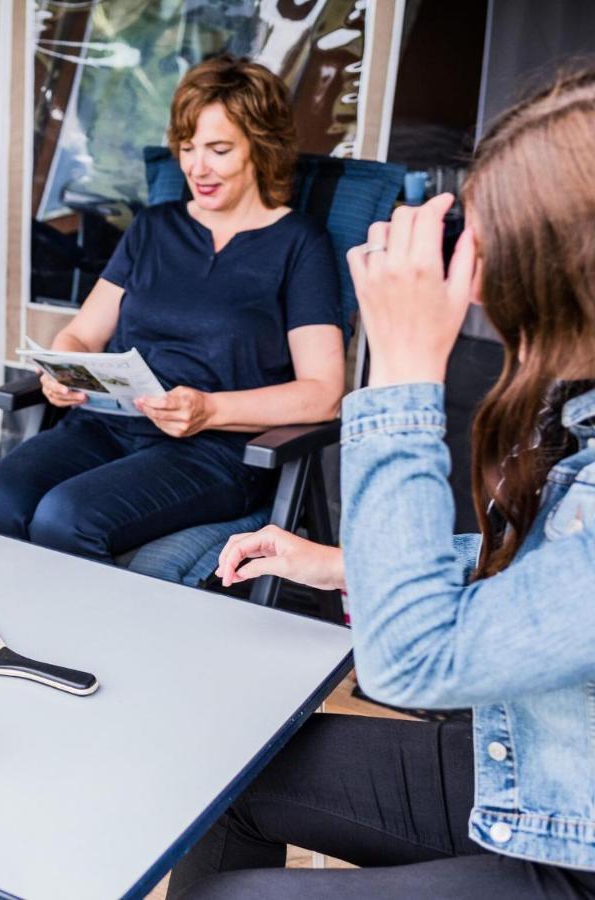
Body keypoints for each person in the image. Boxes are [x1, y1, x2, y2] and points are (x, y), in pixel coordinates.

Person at [166, 70, 595, 898]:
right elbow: (554, 582)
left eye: (487, 242)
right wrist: (340, 563)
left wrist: (399, 370)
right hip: (547, 761)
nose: (472, 279)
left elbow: (410, 663)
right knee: (227, 775)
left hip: (577, 846)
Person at [0, 56, 344, 562]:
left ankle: (71, 643)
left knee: (66, 519)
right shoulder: (155, 227)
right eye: (188, 148)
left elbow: (323, 394)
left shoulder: (299, 244)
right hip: (106, 427)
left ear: (261, 147)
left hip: (212, 451)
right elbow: (81, 335)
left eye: (218, 149)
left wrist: (211, 409)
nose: (196, 168)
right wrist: (63, 374)